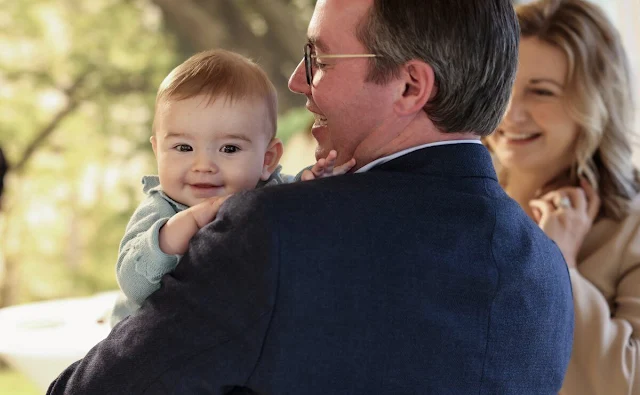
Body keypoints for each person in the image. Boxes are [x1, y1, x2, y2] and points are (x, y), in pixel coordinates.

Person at [47, 1, 574, 394]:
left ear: (411, 87)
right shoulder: (549, 274)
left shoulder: (273, 235)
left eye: (319, 57)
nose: (299, 81)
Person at [110, 49, 354, 325]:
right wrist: (184, 224)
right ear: (158, 152)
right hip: (150, 349)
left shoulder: (267, 193)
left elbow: (294, 210)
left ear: (267, 159)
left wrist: (315, 185)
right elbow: (134, 283)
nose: (203, 165)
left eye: (229, 148)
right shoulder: (161, 208)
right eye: (183, 147)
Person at [485, 0, 640, 394]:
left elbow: (627, 382)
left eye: (541, 92)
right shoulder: (468, 200)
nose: (511, 112)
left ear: (597, 102)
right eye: (505, 84)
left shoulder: (632, 226)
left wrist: (560, 268)